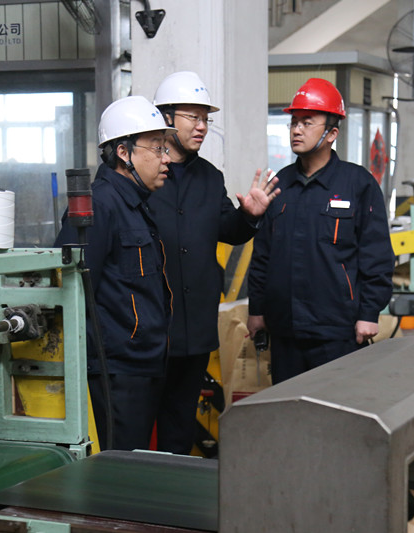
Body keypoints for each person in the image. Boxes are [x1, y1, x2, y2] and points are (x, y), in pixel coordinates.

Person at [149, 71, 280, 455]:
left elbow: (228, 230)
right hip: (150, 329)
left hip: (195, 327)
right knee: (139, 425)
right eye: (193, 117)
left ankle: (173, 483)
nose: (202, 127)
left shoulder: (209, 177)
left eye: (206, 119)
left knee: (180, 424)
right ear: (166, 117)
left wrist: (248, 216)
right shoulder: (142, 175)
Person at [246, 78, 394, 384]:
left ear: (331, 134)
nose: (296, 130)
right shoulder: (280, 185)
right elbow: (263, 256)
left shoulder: (358, 184)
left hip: (337, 331)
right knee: (287, 407)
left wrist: (369, 313)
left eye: (307, 122)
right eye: (293, 122)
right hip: (285, 331)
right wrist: (256, 310)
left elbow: (377, 257)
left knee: (334, 408)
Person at [54, 95, 175, 451]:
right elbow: (70, 288)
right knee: (117, 463)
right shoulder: (99, 205)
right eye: (157, 147)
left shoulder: (135, 203)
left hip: (142, 363)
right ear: (124, 152)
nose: (166, 158)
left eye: (165, 147)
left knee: (134, 459)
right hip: (115, 370)